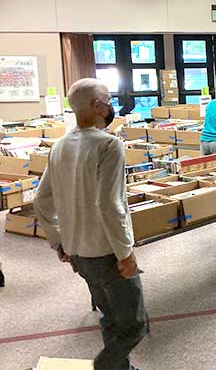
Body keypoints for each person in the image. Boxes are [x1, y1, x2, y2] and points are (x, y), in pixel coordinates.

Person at [34, 78, 147, 370]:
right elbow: (110, 205)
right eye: (108, 100)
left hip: (78, 254)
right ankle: (105, 366)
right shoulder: (109, 144)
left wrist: (58, 240)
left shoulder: (59, 146)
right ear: (98, 106)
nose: (111, 106)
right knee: (135, 325)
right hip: (107, 253)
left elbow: (41, 200)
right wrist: (125, 253)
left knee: (110, 316)